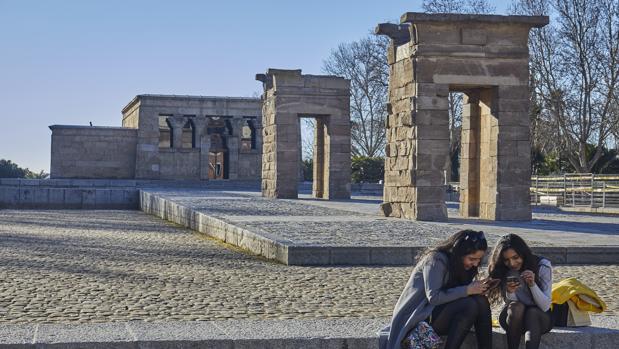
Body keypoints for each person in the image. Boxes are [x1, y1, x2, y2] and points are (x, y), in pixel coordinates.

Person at [386, 230, 493, 349]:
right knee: (469, 304)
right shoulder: (435, 260)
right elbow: (434, 297)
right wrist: (467, 290)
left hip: (439, 313)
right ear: (459, 253)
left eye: (479, 259)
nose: (475, 263)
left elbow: (456, 292)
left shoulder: (462, 265)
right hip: (419, 316)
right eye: (472, 259)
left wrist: (477, 289)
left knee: (481, 301)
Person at [487, 234, 553, 349]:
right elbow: (509, 304)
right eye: (506, 260)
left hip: (539, 318)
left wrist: (532, 285)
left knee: (532, 313)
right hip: (512, 319)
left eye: (516, 257)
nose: (512, 263)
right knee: (516, 307)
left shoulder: (542, 265)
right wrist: (510, 292)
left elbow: (545, 306)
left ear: (523, 254)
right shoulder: (503, 269)